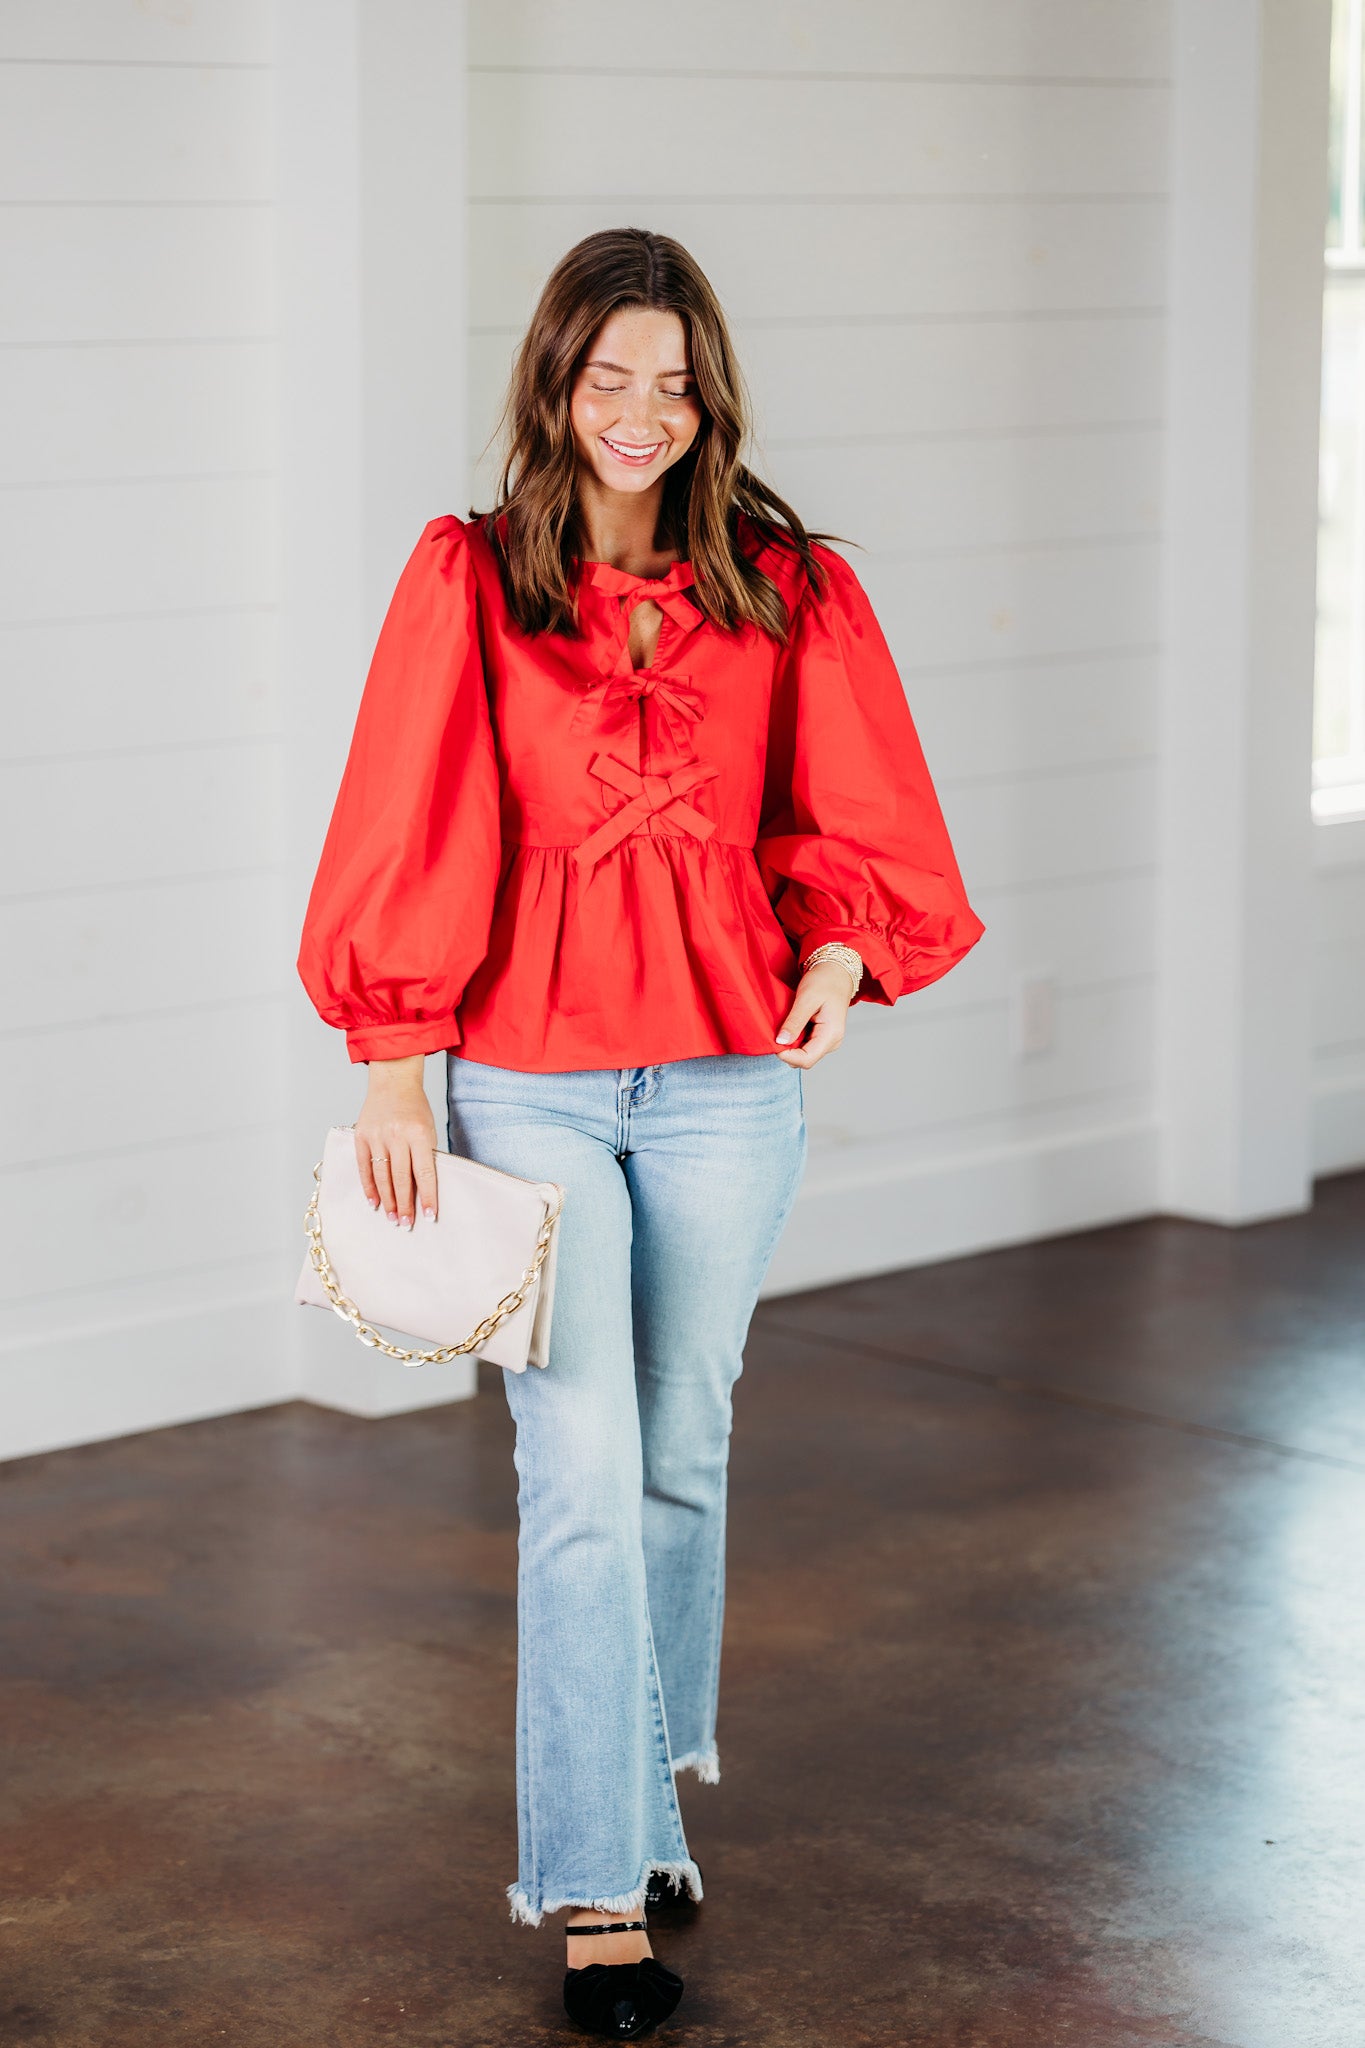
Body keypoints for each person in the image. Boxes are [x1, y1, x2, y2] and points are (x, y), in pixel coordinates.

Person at [297, 227, 983, 2039]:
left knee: (682, 1440)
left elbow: (855, 805)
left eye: (673, 381)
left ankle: (649, 1784)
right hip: (524, 1081)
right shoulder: (471, 582)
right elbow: (407, 812)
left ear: (711, 394)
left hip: (728, 1085)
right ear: (554, 382)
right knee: (580, 1466)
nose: (641, 412)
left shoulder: (785, 582)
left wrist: (842, 945)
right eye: (609, 376)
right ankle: (592, 1879)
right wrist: (393, 1059)